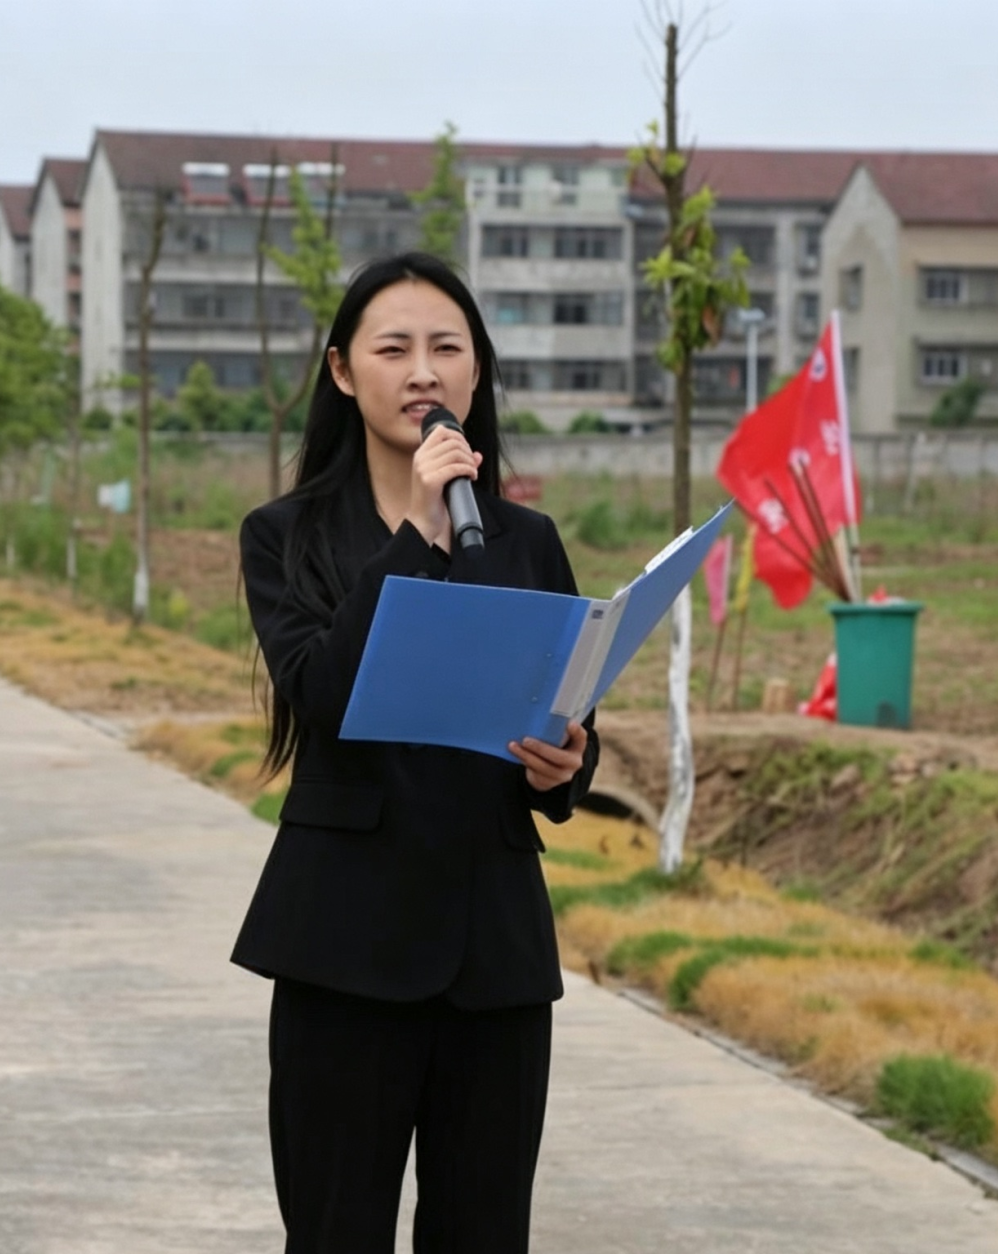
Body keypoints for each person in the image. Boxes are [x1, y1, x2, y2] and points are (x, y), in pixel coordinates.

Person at [235, 251, 599, 1254]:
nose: (424, 372)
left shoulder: (527, 539)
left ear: (477, 371)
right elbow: (321, 695)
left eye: (447, 348)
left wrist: (567, 762)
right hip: (341, 946)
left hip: (495, 956)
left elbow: (568, 712)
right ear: (342, 370)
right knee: (335, 1233)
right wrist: (417, 534)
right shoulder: (286, 536)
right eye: (393, 349)